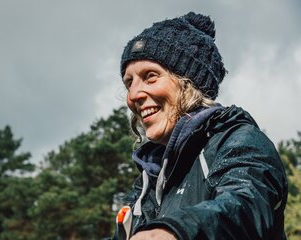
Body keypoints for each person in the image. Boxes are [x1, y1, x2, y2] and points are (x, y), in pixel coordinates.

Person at [109, 12, 288, 240]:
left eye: (150, 76)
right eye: (128, 83)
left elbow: (245, 206)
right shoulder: (149, 181)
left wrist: (174, 231)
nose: (133, 94)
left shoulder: (239, 140)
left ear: (189, 84)